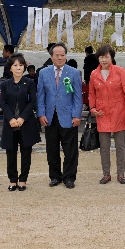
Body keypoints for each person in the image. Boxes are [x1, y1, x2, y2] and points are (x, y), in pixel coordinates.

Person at [37, 43, 82, 189]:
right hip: (50, 116)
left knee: (70, 149)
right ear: (51, 57)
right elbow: (41, 95)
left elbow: (77, 97)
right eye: (57, 55)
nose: (60, 57)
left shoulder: (74, 73)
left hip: (68, 116)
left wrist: (76, 115)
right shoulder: (43, 73)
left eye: (63, 55)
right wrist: (41, 113)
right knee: (52, 148)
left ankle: (69, 177)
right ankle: (55, 176)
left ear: (66, 56)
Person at [88, 44, 125, 184]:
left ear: (112, 57)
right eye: (101, 57)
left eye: (106, 56)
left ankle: (121, 174)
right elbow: (91, 94)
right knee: (104, 147)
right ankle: (106, 174)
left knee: (120, 146)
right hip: (102, 115)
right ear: (98, 59)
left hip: (119, 114)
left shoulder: (120, 71)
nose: (104, 60)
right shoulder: (94, 74)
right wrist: (93, 108)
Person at [0, 53, 41, 191]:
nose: (18, 68)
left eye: (21, 65)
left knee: (26, 153)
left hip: (26, 123)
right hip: (10, 124)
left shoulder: (29, 82)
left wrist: (22, 118)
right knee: (10, 153)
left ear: (24, 67)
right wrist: (11, 118)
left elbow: (33, 102)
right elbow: (3, 103)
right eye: (15, 65)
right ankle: (12, 180)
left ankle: (23, 179)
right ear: (10, 68)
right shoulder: (5, 84)